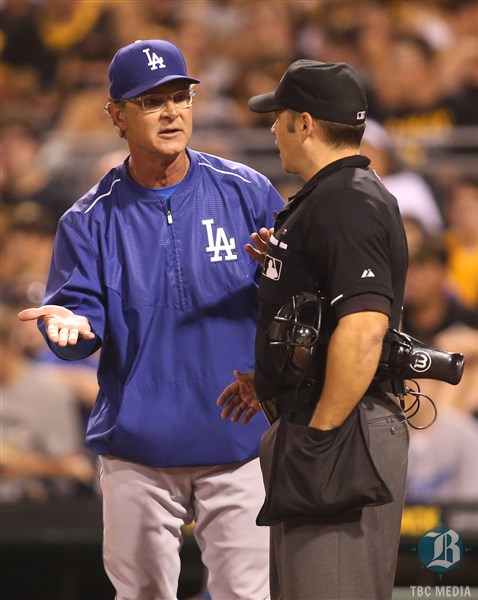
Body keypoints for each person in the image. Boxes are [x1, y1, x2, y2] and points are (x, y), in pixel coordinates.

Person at [17, 39, 284, 600]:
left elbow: (291, 297)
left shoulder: (246, 191)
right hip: (138, 450)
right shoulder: (87, 219)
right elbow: (75, 315)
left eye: (180, 96)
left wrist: (275, 288)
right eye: (150, 101)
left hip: (237, 440)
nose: (171, 112)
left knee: (248, 596)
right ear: (116, 114)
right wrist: (67, 330)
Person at [218, 60, 409, 600]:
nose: (271, 129)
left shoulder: (348, 200)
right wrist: (276, 379)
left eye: (277, 118)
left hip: (342, 428)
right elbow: (319, 316)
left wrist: (319, 438)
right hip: (325, 416)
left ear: (305, 123)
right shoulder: (329, 196)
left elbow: (366, 328)